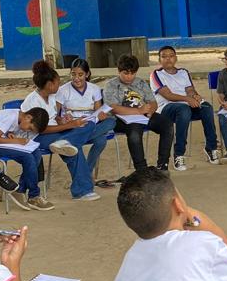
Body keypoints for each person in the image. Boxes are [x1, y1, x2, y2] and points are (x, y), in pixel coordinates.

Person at [23, 61, 100, 201]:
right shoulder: (32, 101)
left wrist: (64, 120)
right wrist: (68, 126)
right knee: (73, 147)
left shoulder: (53, 97)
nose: (60, 86)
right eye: (58, 82)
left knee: (87, 124)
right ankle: (82, 190)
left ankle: (66, 142)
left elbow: (56, 117)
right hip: (38, 137)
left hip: (57, 133)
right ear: (49, 84)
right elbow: (42, 129)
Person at [0, 106, 59, 211]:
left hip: (2, 145)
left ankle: (20, 190)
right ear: (28, 117)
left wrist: (10, 135)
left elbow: (5, 133)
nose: (28, 130)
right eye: (30, 128)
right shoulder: (10, 116)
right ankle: (34, 196)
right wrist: (17, 141)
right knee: (27, 157)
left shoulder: (20, 118)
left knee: (36, 154)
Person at [150, 46, 219, 171]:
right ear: (159, 60)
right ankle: (179, 154)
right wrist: (188, 99)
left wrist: (195, 96)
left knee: (206, 108)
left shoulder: (183, 72)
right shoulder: (156, 74)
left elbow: (190, 90)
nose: (168, 59)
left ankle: (211, 147)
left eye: (171, 56)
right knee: (183, 109)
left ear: (176, 58)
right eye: (164, 56)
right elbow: (168, 95)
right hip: (166, 109)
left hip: (186, 106)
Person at [103, 55, 175, 172]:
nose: (129, 77)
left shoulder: (141, 83)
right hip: (119, 120)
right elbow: (113, 108)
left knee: (167, 124)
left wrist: (150, 111)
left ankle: (163, 165)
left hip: (143, 116)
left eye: (133, 73)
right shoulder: (110, 85)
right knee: (135, 130)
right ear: (119, 71)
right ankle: (142, 170)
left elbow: (152, 102)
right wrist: (139, 111)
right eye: (126, 73)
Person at [56, 57, 116, 187]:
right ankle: (85, 177)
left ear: (87, 74)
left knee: (111, 122)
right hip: (73, 125)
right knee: (101, 140)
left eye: (80, 74)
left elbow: (98, 110)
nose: (76, 78)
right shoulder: (63, 90)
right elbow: (57, 115)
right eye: (73, 74)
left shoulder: (94, 88)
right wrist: (64, 119)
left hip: (90, 123)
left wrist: (101, 115)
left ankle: (84, 175)